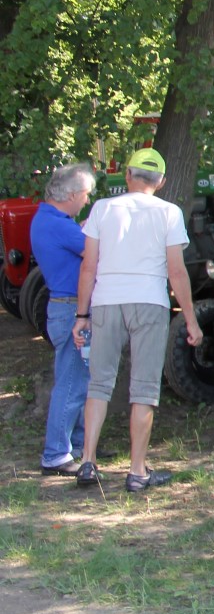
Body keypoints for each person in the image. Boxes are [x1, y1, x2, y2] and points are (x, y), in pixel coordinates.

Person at [72, 148, 202, 493]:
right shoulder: (169, 213)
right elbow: (176, 271)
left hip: (105, 301)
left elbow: (88, 267)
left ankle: (87, 461)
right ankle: (137, 471)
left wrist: (81, 315)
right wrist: (191, 319)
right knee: (143, 389)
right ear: (160, 182)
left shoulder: (101, 208)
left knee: (99, 383)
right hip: (149, 301)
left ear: (128, 176)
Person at [31, 163, 96, 476]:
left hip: (64, 305)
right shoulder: (59, 225)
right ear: (71, 194)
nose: (86, 201)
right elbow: (94, 251)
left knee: (78, 379)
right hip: (72, 308)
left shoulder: (48, 218)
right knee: (71, 381)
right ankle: (57, 453)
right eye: (85, 195)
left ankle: (79, 443)